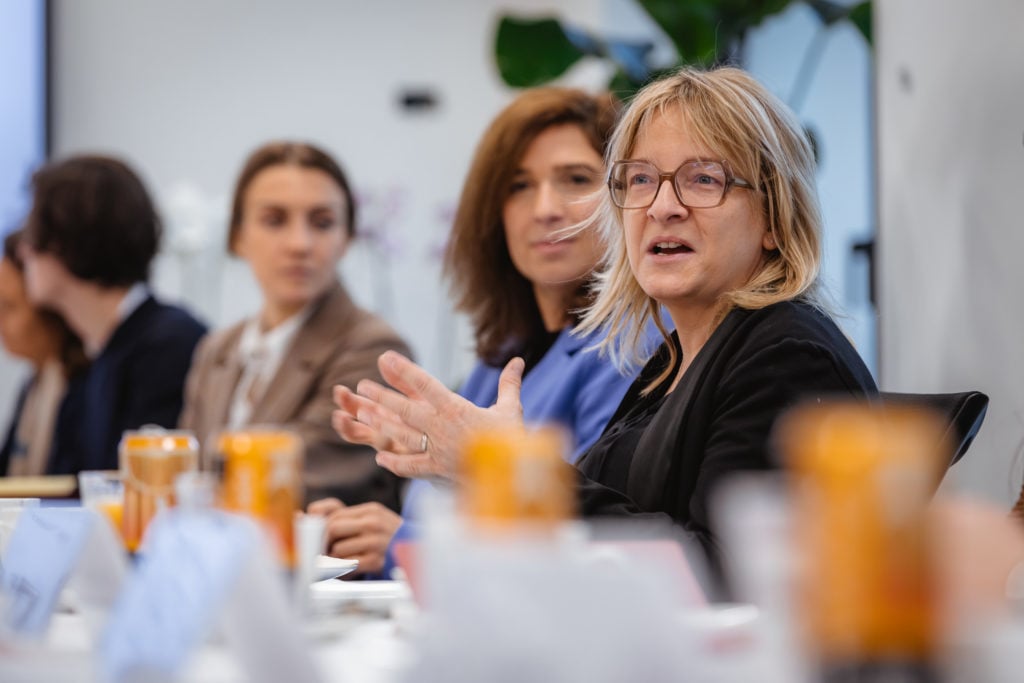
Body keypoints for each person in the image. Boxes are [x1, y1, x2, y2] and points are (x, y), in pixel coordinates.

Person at [331, 66, 878, 584]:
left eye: (704, 179)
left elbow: (716, 575)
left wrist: (508, 471)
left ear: (775, 220)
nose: (663, 206)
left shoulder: (786, 356)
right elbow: (606, 523)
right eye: (640, 180)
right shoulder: (673, 362)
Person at [309, 88, 644, 576]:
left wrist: (400, 544)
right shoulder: (501, 358)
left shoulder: (632, 348)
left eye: (575, 179)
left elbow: (587, 540)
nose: (544, 208)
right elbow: (429, 513)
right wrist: (354, 533)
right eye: (518, 186)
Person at [180, 141, 411, 509]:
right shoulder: (217, 350)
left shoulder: (374, 349)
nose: (299, 243)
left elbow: (295, 476)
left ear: (347, 239)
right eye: (274, 220)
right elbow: (187, 471)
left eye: (322, 223)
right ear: (238, 237)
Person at [19, 155, 207, 474]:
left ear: (67, 241)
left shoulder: (169, 347)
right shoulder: (94, 352)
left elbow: (142, 490)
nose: (23, 250)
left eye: (33, 231)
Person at [0, 230, 87, 475]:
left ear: (49, 311)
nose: (0, 321)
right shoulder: (35, 383)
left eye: (8, 306)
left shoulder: (82, 388)